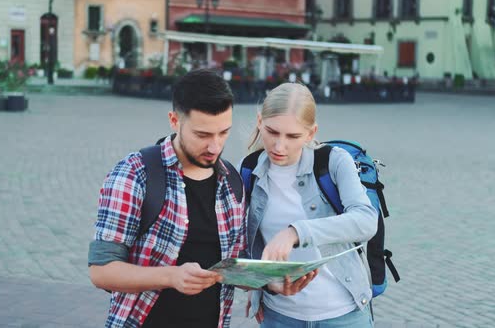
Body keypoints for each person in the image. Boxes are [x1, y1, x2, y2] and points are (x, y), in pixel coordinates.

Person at [88, 69, 244, 328]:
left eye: (223, 133)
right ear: (174, 120)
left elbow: (233, 267)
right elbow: (101, 270)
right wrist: (171, 276)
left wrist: (272, 281)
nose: (215, 146)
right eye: (202, 135)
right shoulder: (135, 174)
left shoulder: (231, 182)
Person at [242, 83, 378, 327]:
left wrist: (296, 232)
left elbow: (367, 220)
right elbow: (241, 248)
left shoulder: (334, 162)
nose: (279, 146)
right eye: (272, 132)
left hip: (344, 315)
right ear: (260, 121)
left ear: (311, 133)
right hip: (279, 317)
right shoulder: (249, 169)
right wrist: (264, 285)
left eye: (293, 136)